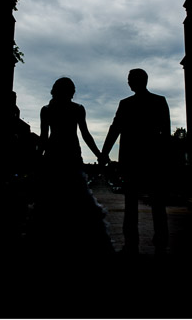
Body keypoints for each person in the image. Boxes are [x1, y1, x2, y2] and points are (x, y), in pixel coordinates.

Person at [32, 77, 114, 257]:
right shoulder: (77, 109)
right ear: (71, 91)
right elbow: (85, 134)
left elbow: (44, 138)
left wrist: (37, 159)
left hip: (53, 158)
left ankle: (49, 243)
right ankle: (84, 243)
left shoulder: (46, 110)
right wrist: (99, 154)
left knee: (51, 202)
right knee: (78, 200)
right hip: (71, 156)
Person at [101, 69, 171, 255]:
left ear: (134, 82)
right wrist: (167, 160)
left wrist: (104, 153)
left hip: (131, 160)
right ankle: (161, 240)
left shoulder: (126, 104)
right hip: (154, 160)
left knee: (130, 205)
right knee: (158, 204)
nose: (128, 83)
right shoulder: (160, 101)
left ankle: (131, 243)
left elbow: (114, 129)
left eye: (129, 80)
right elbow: (166, 135)